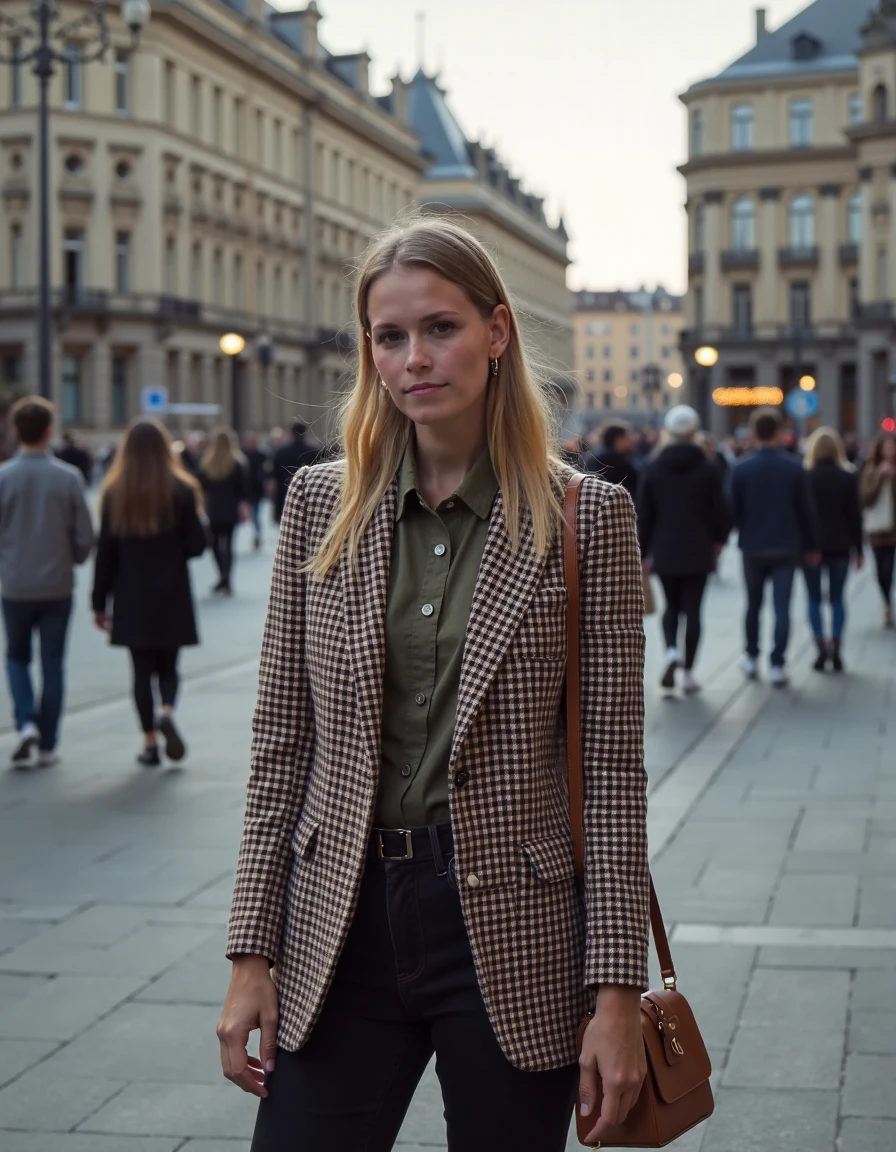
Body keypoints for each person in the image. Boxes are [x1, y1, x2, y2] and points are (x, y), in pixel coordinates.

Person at [217, 217, 650, 1152]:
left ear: (497, 333)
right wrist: (251, 951)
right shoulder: (318, 506)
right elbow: (282, 745)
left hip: (511, 924)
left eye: (441, 328)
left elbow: (611, 775)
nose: (416, 357)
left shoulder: (589, 519)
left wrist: (617, 992)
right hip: (341, 917)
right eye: (390, 335)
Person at [92, 419, 207, 766]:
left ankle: (149, 743)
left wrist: (99, 601)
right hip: (172, 591)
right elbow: (197, 545)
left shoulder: (115, 493)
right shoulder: (182, 489)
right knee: (170, 666)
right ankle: (168, 711)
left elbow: (105, 554)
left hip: (131, 595)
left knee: (141, 672)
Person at [0, 397, 94, 767]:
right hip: (57, 583)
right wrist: (72, 557)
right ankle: (48, 743)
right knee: (53, 662)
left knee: (16, 657)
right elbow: (86, 538)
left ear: (15, 431)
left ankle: (25, 722)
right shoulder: (68, 477)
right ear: (49, 432)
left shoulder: (3, 477)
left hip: (15, 584)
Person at [638, 405, 731, 694]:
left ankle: (670, 653)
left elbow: (644, 513)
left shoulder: (653, 467)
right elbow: (720, 510)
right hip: (699, 549)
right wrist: (719, 540)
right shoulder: (707, 468)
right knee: (693, 610)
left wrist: (642, 552)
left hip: (665, 549)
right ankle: (689, 672)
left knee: (671, 608)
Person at [730, 407, 820, 687]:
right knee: (782, 608)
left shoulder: (741, 467)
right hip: (786, 545)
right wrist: (813, 545)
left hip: (753, 545)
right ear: (779, 433)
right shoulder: (794, 467)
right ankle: (777, 663)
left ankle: (751, 656)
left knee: (753, 605)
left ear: (754, 433)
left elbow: (732, 510)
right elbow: (807, 511)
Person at [802, 427, 863, 672]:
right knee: (838, 598)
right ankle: (836, 645)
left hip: (811, 548)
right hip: (840, 544)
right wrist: (859, 549)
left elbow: (802, 515)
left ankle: (820, 645)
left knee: (813, 598)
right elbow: (854, 517)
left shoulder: (805, 476)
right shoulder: (848, 477)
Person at [199, 428, 249, 596]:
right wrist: (243, 508)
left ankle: (221, 575)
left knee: (214, 545)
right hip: (230, 508)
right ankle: (227, 578)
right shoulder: (237, 462)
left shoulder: (207, 462)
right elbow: (242, 489)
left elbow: (201, 487)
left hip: (213, 508)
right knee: (229, 545)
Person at [860, 431, 896, 628]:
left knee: (889, 568)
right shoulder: (871, 470)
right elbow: (866, 498)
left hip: (893, 530)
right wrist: (882, 477)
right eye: (887, 447)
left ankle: (887, 605)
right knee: (880, 571)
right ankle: (886, 600)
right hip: (876, 529)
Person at [271, 420, 320, 522]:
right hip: (308, 490)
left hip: (285, 489)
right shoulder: (313, 451)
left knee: (286, 521)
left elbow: (274, 475)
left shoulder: (281, 452)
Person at [582, 421, 638, 498]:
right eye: (628, 437)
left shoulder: (595, 455)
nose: (632, 440)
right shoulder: (614, 461)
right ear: (618, 440)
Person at [241, 431, 269, 551]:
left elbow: (265, 471)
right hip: (246, 488)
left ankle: (257, 536)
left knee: (257, 515)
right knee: (250, 515)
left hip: (256, 489)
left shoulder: (261, 455)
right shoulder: (242, 455)